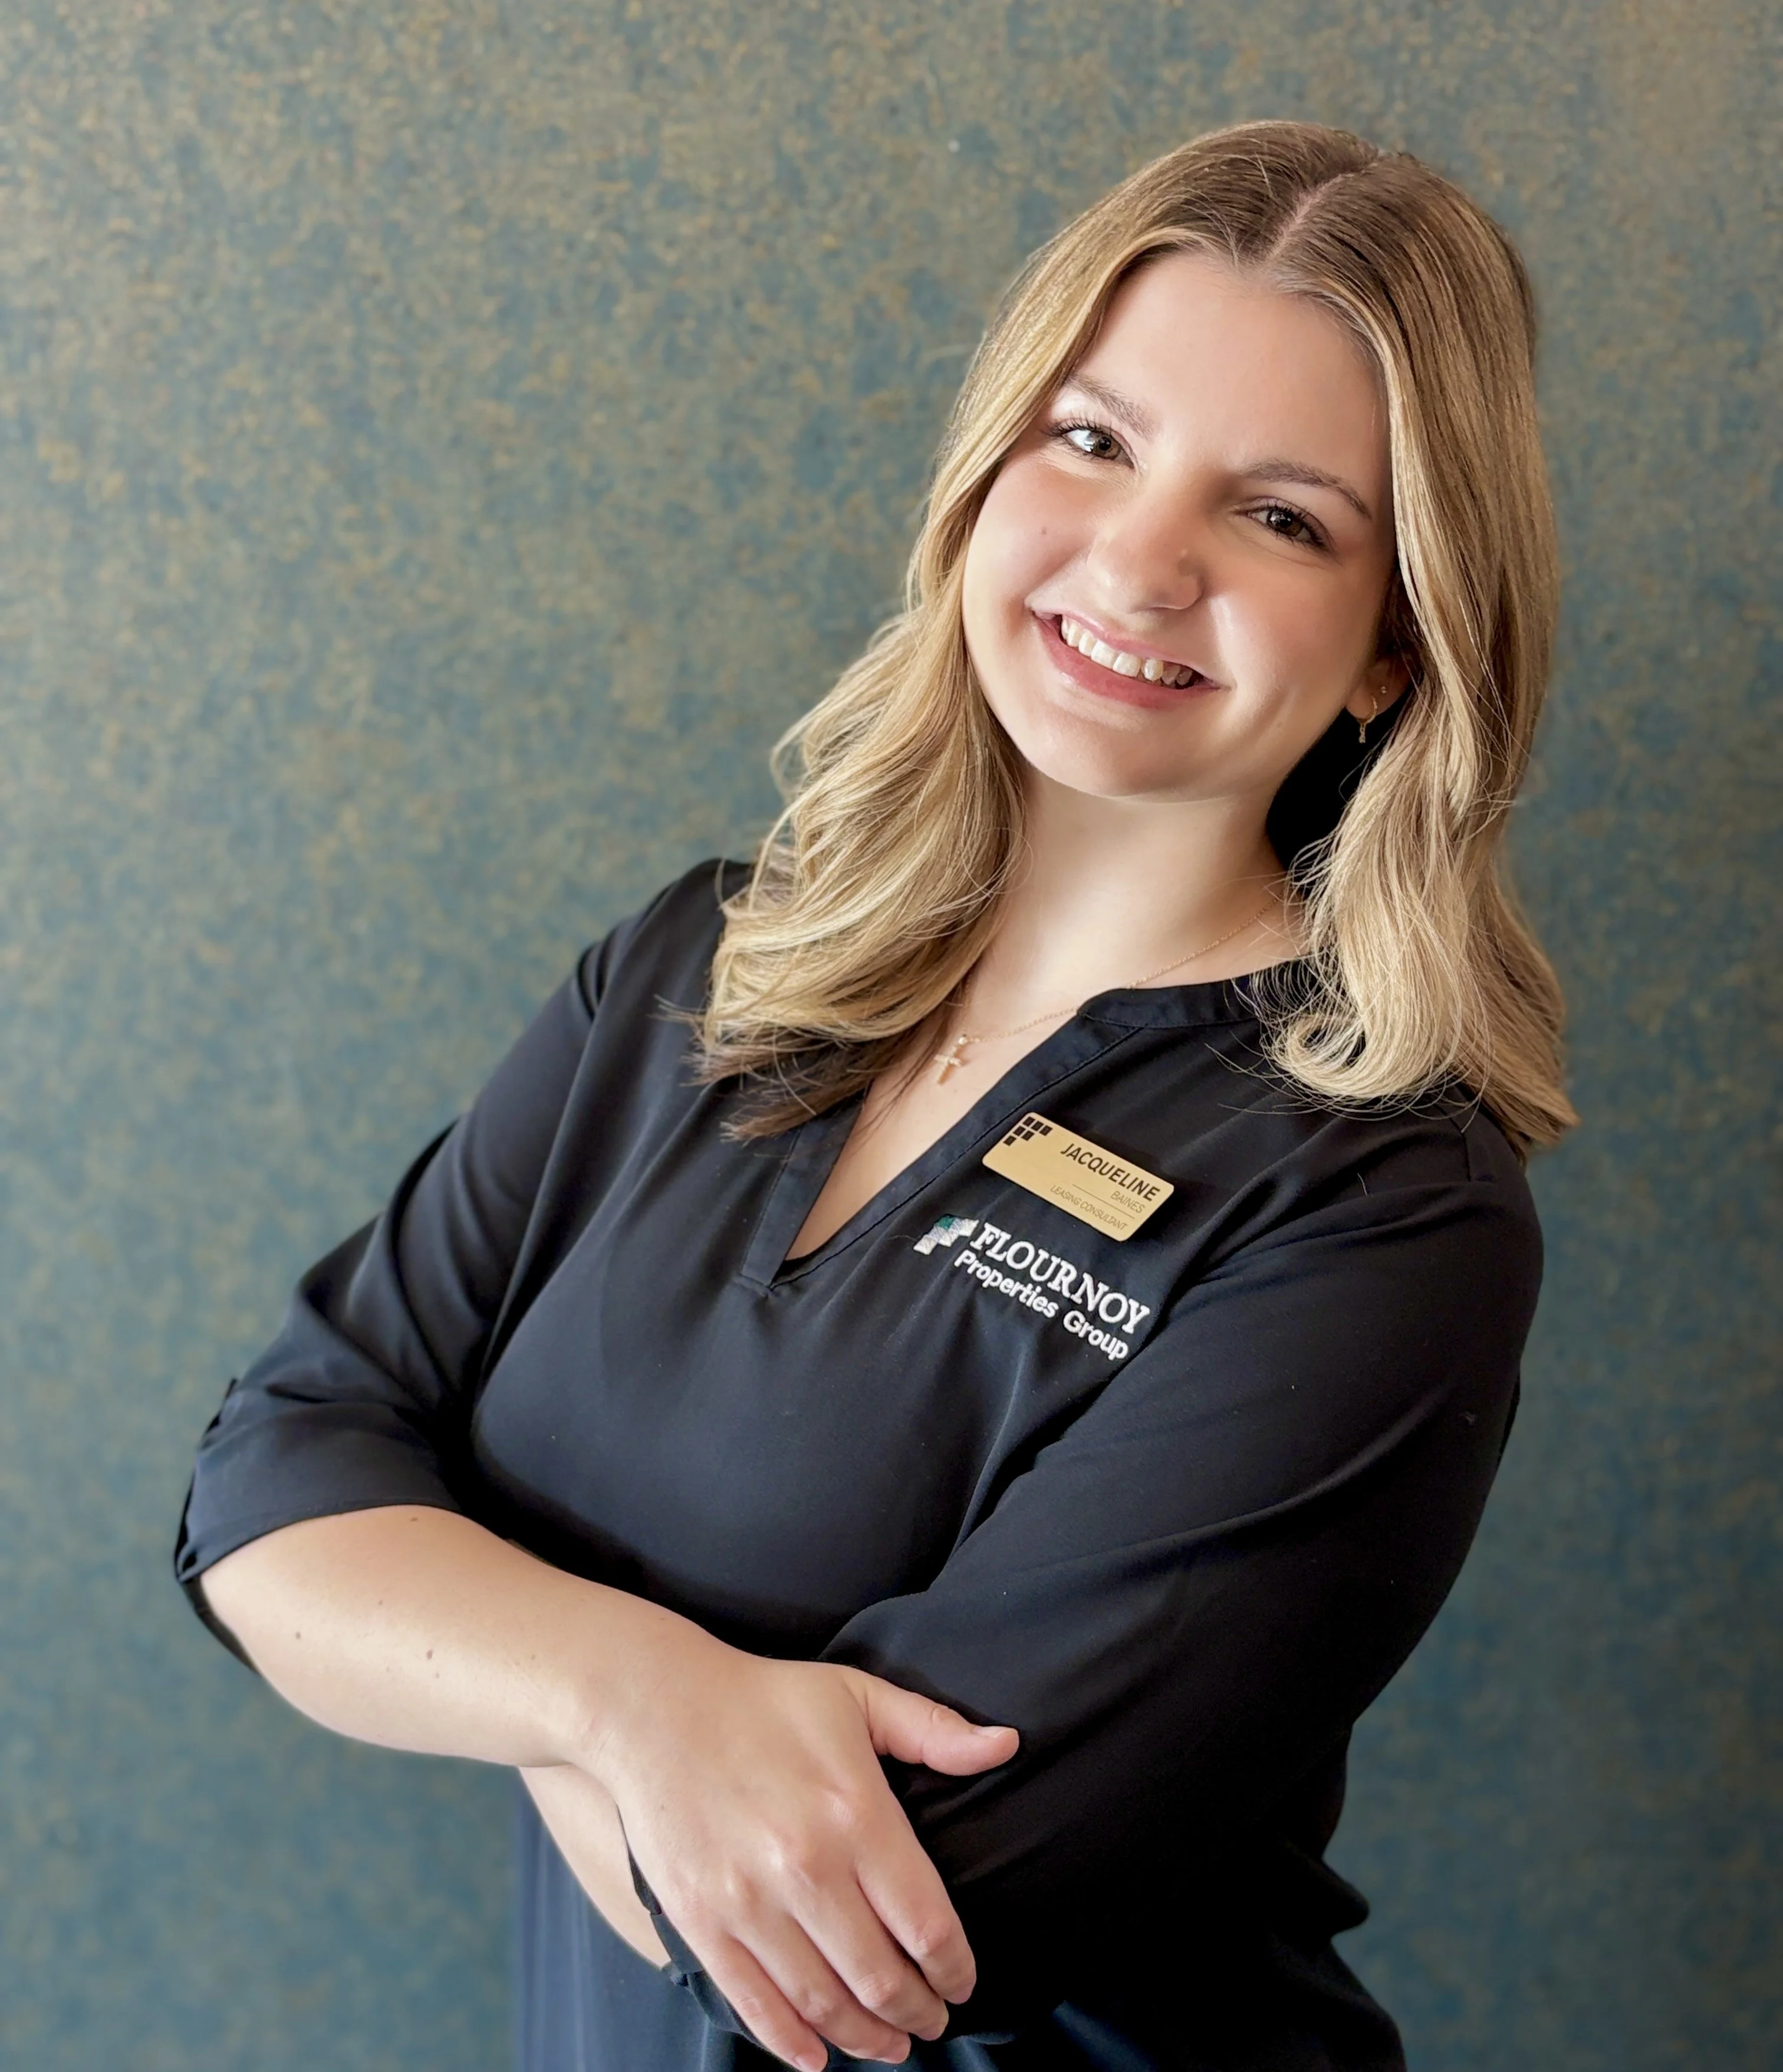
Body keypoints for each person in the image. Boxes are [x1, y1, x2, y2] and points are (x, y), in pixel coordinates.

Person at [175, 119, 1577, 2072]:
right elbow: (270, 1482)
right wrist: (632, 1699)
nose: (1139, 560)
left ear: (1395, 647)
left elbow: (905, 1909)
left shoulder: (1379, 1208)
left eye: (1280, 518)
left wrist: (490, 1658)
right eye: (1090, 440)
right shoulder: (702, 968)